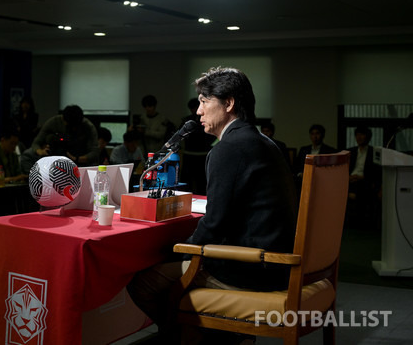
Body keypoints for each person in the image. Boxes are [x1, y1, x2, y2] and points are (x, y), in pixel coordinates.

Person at [127, 67, 297, 345]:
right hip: (277, 262)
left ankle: (189, 337)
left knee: (143, 282)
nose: (198, 112)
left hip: (250, 269)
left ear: (228, 103)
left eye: (205, 102)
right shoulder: (265, 142)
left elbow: (215, 224)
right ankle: (223, 335)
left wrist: (179, 250)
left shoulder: (228, 148)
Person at [30, 105, 99, 166]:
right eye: (69, 125)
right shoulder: (54, 122)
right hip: (54, 157)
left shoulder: (88, 127)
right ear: (63, 119)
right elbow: (36, 143)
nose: (72, 129)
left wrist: (76, 159)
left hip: (79, 159)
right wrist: (42, 152)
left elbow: (94, 152)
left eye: (75, 126)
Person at [179, 97, 216, 195]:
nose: (194, 110)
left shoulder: (206, 120)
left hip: (203, 154)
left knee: (202, 182)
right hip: (189, 154)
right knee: (187, 182)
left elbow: (212, 135)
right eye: (192, 108)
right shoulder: (187, 121)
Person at [346, 126, 382, 228]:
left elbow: (377, 172)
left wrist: (362, 177)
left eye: (362, 135)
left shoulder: (374, 152)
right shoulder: (350, 151)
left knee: (363, 187)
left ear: (368, 137)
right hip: (350, 179)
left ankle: (360, 222)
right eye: (357, 135)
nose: (359, 137)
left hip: (364, 181)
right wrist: (348, 177)